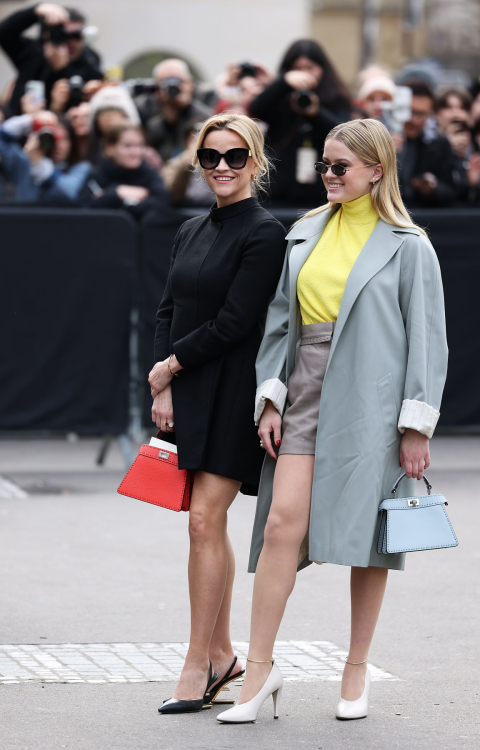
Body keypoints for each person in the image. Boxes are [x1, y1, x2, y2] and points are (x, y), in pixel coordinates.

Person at [217, 118, 448, 724]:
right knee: (280, 526)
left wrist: (416, 425)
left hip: (374, 399)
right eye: (323, 164)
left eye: (340, 166)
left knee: (370, 543)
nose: (328, 175)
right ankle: (259, 675)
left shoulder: (408, 243)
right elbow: (277, 322)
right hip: (304, 388)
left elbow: (427, 340)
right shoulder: (304, 233)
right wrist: (270, 397)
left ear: (377, 169)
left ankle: (355, 670)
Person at [149, 113, 286, 715]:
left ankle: (197, 661)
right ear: (198, 162)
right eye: (210, 157)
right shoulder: (188, 228)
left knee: (204, 522)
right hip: (184, 390)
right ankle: (223, 655)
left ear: (255, 161)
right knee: (208, 525)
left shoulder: (264, 232)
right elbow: (166, 310)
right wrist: (163, 386)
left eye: (234, 156)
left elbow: (237, 322)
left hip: (231, 391)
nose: (222, 167)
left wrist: (172, 367)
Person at [249, 39, 351, 207]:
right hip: (277, 191)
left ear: (322, 69)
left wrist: (316, 113)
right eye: (297, 68)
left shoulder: (336, 97)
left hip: (321, 191)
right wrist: (282, 83)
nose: (304, 74)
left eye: (310, 68)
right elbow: (256, 109)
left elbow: (345, 133)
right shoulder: (279, 95)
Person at [0, 3, 102, 117]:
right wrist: (35, 11)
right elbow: (4, 33)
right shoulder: (34, 52)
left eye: (76, 36)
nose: (71, 43)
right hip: (16, 122)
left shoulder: (89, 61)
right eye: (64, 35)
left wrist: (62, 69)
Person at [82, 122, 169, 220]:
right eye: (127, 146)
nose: (135, 152)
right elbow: (85, 209)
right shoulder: (97, 174)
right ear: (110, 148)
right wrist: (117, 192)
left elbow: (162, 205)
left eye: (140, 146)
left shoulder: (150, 173)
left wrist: (124, 205)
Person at [0, 109, 90, 203]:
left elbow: (68, 192)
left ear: (72, 141)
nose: (58, 144)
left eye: (64, 138)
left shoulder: (81, 167)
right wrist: (31, 120)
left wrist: (39, 162)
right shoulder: (25, 163)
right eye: (53, 138)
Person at [397, 80, 459, 207]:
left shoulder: (438, 143)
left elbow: (453, 191)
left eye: (420, 114)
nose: (413, 120)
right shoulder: (378, 138)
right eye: (409, 112)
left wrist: (433, 189)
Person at [138, 58, 212, 162]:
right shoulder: (147, 114)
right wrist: (168, 118)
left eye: (179, 81)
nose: (173, 86)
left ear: (190, 83)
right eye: (166, 82)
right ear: (157, 88)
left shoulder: (205, 116)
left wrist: (187, 105)